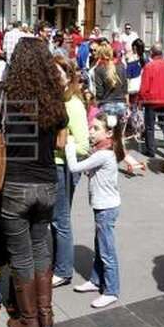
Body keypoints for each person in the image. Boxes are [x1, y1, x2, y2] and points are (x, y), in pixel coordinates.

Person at [0, 36, 68, 327]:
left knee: (21, 253)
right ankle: (47, 315)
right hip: (47, 182)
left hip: (16, 183)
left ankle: (28, 318)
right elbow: (61, 141)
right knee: (41, 247)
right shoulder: (54, 97)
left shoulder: (6, 94)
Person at [65, 113, 124, 308]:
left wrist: (70, 144)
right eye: (91, 127)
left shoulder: (103, 154)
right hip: (103, 206)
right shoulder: (102, 150)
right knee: (100, 247)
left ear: (108, 133)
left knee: (107, 251)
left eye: (96, 128)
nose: (91, 131)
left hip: (106, 207)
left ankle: (111, 290)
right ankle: (96, 280)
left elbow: (74, 167)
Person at [51, 56, 89, 288]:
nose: (54, 77)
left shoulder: (73, 104)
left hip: (63, 167)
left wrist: (60, 141)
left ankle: (64, 270)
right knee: (54, 218)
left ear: (69, 76)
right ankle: (58, 262)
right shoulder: (56, 99)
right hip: (52, 165)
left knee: (60, 219)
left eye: (59, 73)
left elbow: (84, 145)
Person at [93, 43, 146, 175]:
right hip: (121, 106)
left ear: (100, 55)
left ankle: (104, 164)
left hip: (107, 105)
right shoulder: (121, 66)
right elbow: (125, 89)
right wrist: (127, 104)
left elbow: (99, 93)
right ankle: (132, 163)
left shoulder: (99, 69)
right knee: (117, 138)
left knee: (106, 139)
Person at [139, 43, 164, 157]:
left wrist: (141, 100)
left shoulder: (149, 66)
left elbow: (144, 86)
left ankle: (151, 151)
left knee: (150, 126)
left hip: (152, 100)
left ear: (151, 53)